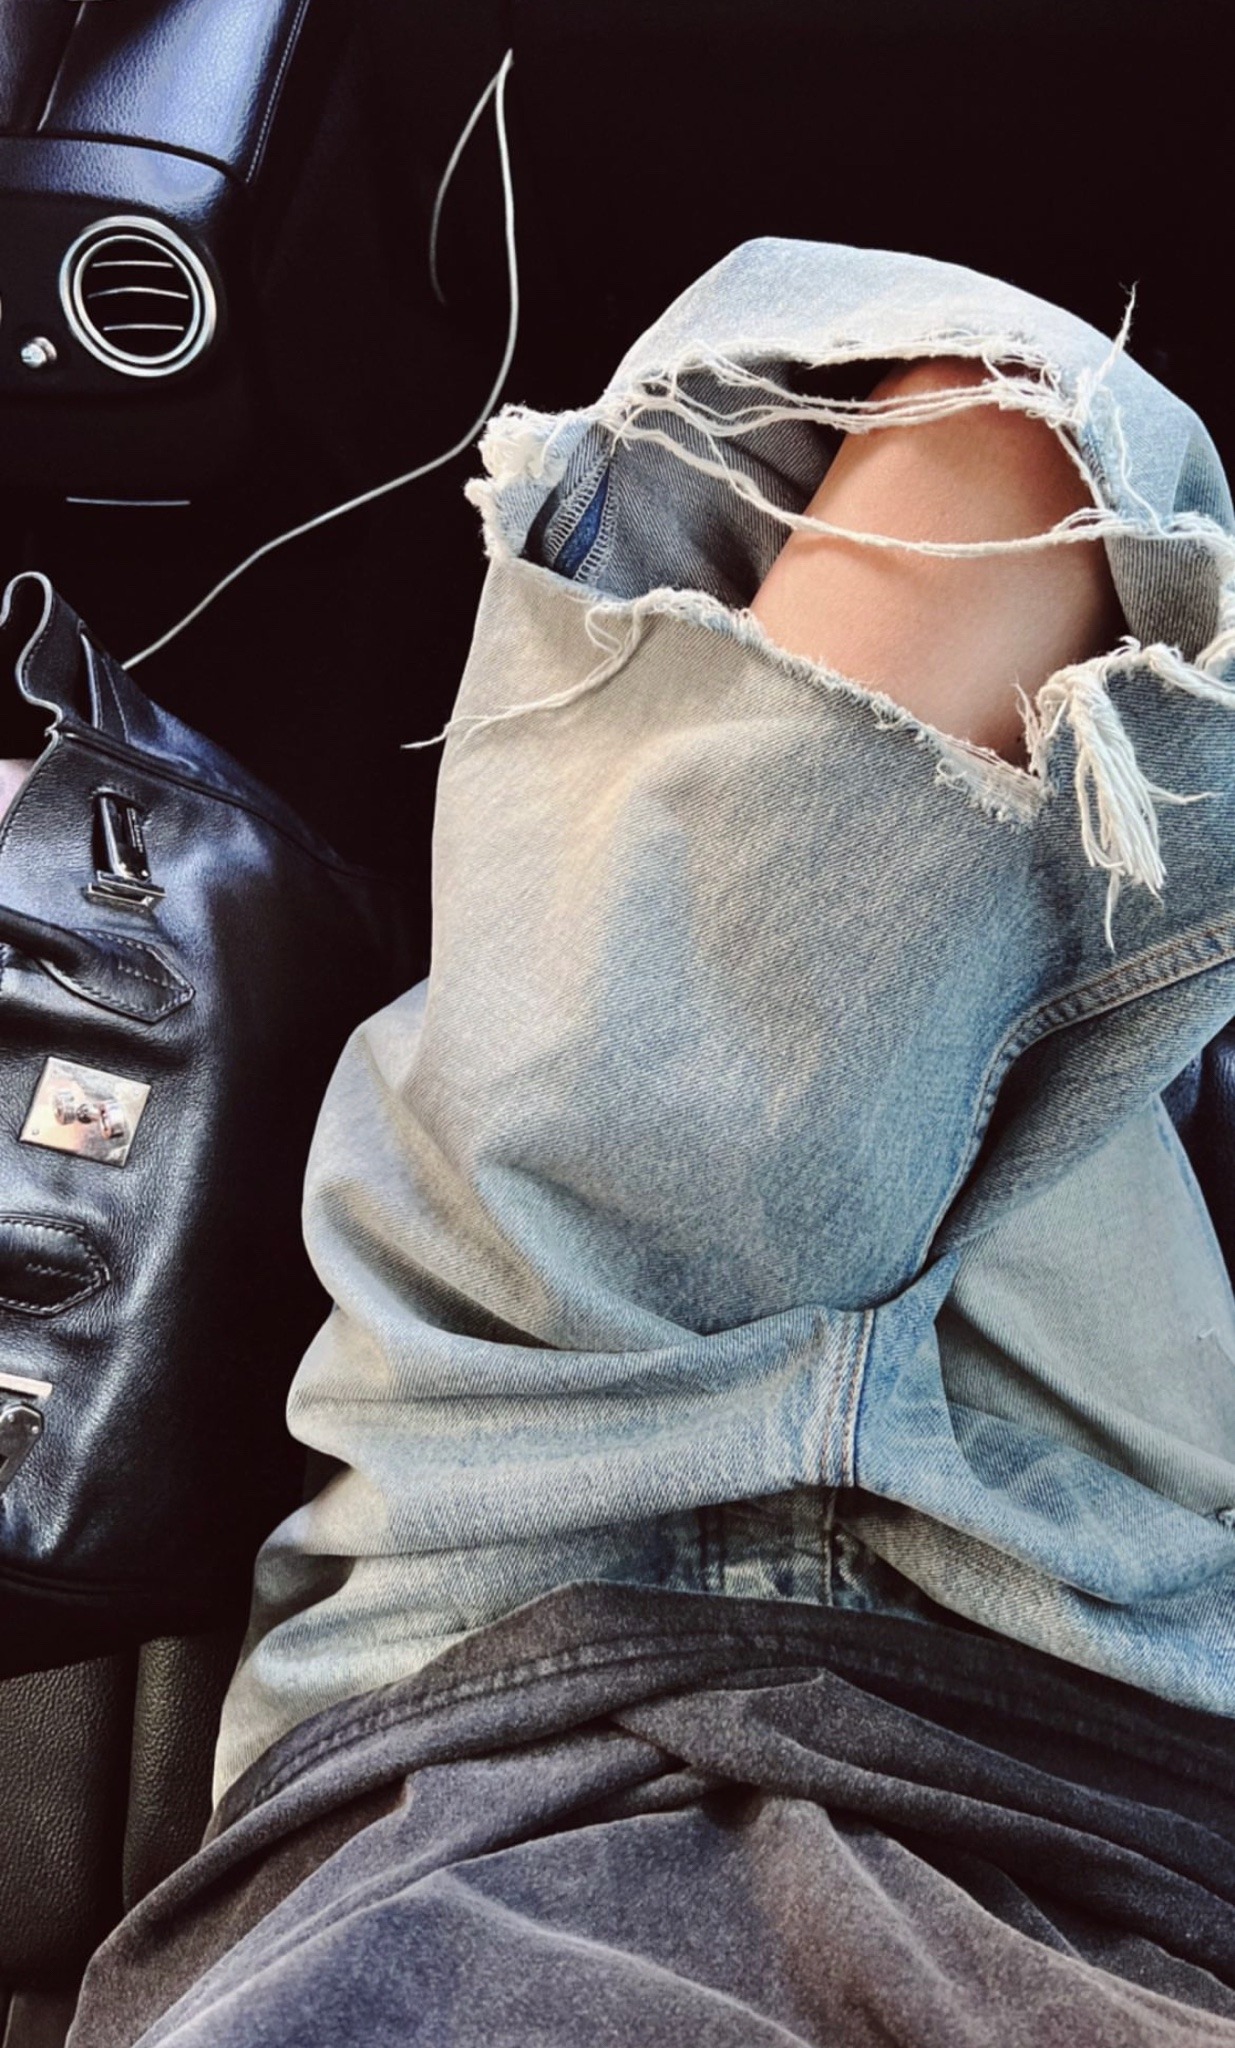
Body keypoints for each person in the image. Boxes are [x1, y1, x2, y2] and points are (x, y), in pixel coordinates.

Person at [71, 240, 1235, 2044]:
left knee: (996, 435)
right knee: (1003, 446)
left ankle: (1054, 973)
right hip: (1121, 1751)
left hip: (517, 1630)